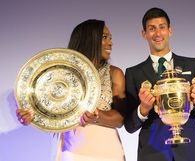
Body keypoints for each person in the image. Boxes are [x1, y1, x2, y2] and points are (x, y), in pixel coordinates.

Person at [16, 19, 127, 161]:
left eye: (110, 38)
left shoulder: (114, 73)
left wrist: (97, 116)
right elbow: (47, 110)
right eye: (104, 37)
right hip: (72, 150)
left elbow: (121, 119)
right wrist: (31, 116)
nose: (110, 43)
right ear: (89, 39)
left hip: (107, 151)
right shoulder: (60, 74)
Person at [124, 7, 195, 161]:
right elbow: (129, 126)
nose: (158, 34)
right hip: (152, 151)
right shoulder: (134, 73)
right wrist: (143, 110)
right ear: (144, 34)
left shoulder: (193, 65)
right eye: (152, 29)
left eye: (162, 27)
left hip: (189, 150)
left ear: (170, 31)